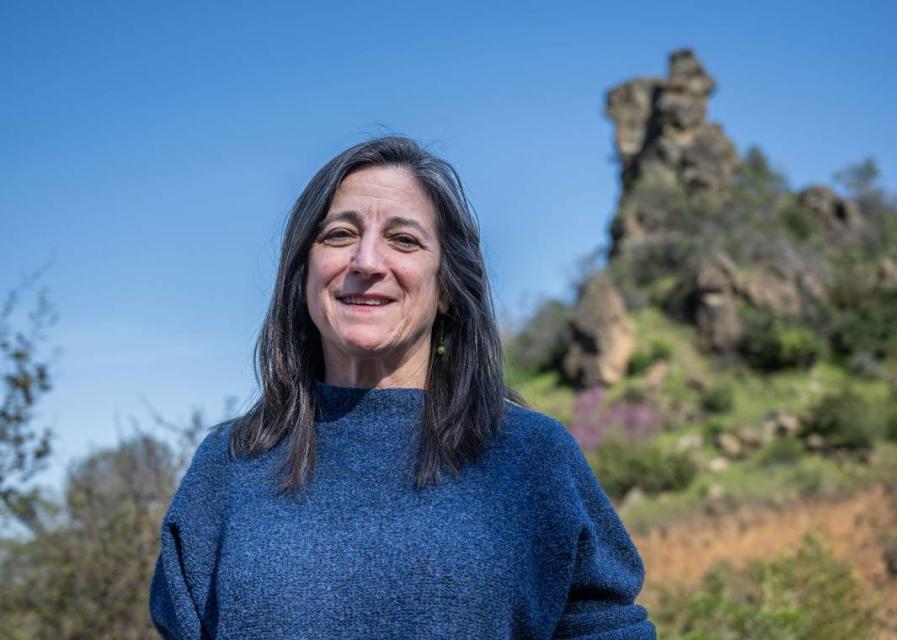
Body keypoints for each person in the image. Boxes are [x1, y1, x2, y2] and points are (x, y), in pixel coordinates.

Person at [149, 135, 656, 639]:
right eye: (339, 235)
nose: (366, 262)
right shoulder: (228, 466)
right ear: (303, 275)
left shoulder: (532, 458)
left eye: (404, 240)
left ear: (448, 291)